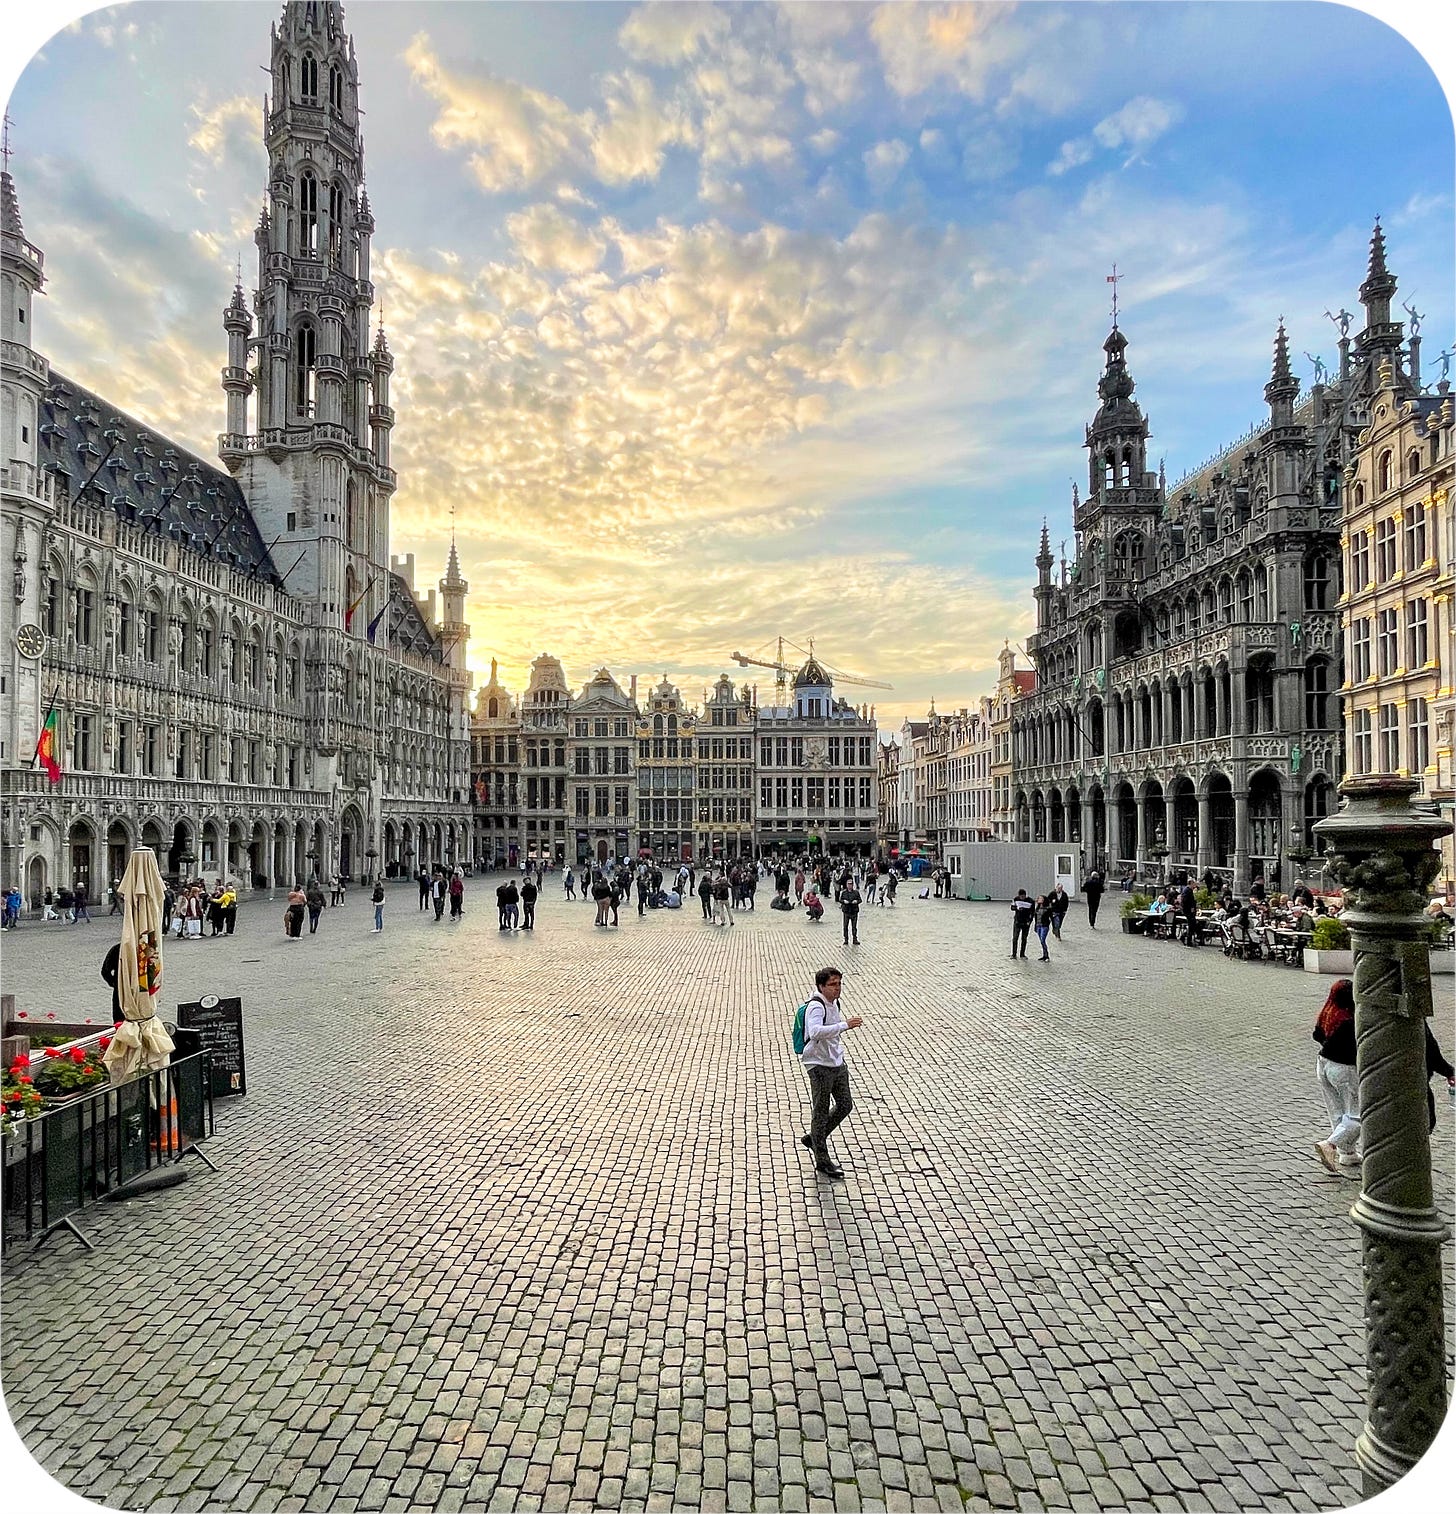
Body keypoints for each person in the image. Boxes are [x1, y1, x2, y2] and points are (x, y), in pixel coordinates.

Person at [799, 967, 862, 1180]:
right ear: (821, 986)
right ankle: (823, 1161)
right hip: (818, 1064)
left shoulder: (834, 1003)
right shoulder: (816, 1007)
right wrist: (845, 1025)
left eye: (839, 984)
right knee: (821, 1109)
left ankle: (815, 1138)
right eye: (833, 985)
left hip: (836, 1061)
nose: (837, 988)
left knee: (845, 1104)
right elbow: (815, 1031)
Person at [1312, 979, 1360, 1175]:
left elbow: (1316, 1034)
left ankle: (1347, 1153)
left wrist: (1329, 1043)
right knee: (1358, 1114)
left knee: (1337, 1111)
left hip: (1323, 1063)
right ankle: (1330, 1145)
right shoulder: (1350, 1020)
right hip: (1344, 1069)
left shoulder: (1328, 1012)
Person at [1010, 889, 1034, 959]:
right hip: (1017, 921)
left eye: (1023, 897)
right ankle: (1014, 954)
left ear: (1025, 895)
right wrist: (1017, 908)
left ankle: (1022, 954)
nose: (1022, 898)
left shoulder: (1031, 901)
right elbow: (1012, 907)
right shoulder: (1016, 899)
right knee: (1015, 938)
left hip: (1026, 922)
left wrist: (1030, 921)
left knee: (1024, 938)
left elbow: (1032, 912)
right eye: (1020, 897)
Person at [839, 877, 862, 946]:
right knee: (845, 926)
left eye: (851, 884)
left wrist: (856, 901)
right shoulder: (844, 893)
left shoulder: (856, 892)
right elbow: (840, 900)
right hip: (846, 911)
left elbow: (860, 900)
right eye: (848, 884)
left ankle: (855, 939)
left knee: (854, 926)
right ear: (846, 885)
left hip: (854, 911)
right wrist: (843, 901)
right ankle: (846, 939)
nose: (850, 886)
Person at [1179, 879, 1199, 947]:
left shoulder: (1189, 890)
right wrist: (1191, 907)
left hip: (1189, 910)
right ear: (1191, 884)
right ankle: (1188, 941)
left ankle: (1184, 936)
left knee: (1193, 925)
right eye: (1194, 884)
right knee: (1191, 925)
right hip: (1188, 911)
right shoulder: (1187, 890)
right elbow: (1185, 901)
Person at [1033, 895, 1053, 961]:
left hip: (1044, 926)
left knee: (1042, 940)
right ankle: (1044, 955)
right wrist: (1035, 926)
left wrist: (1051, 924)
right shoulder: (1037, 908)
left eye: (1041, 898)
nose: (1039, 899)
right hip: (1038, 925)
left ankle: (1046, 955)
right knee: (1041, 941)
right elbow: (1035, 917)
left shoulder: (1047, 908)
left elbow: (1051, 917)